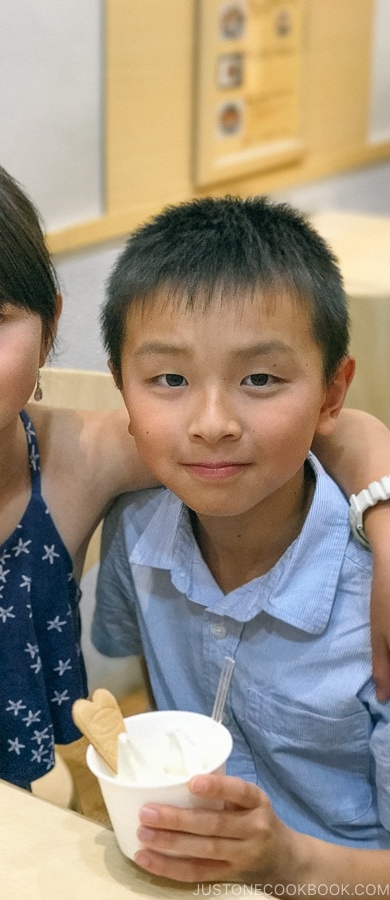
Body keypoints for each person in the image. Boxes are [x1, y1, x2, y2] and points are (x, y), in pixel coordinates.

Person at [0, 146, 389, 792]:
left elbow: (326, 431)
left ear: (48, 326)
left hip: (49, 814)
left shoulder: (86, 456)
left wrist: (384, 525)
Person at [93, 196, 390, 890]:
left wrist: (287, 862)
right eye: (169, 379)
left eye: (260, 378)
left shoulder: (372, 598)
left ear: (331, 393)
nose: (213, 422)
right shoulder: (135, 529)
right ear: (122, 392)